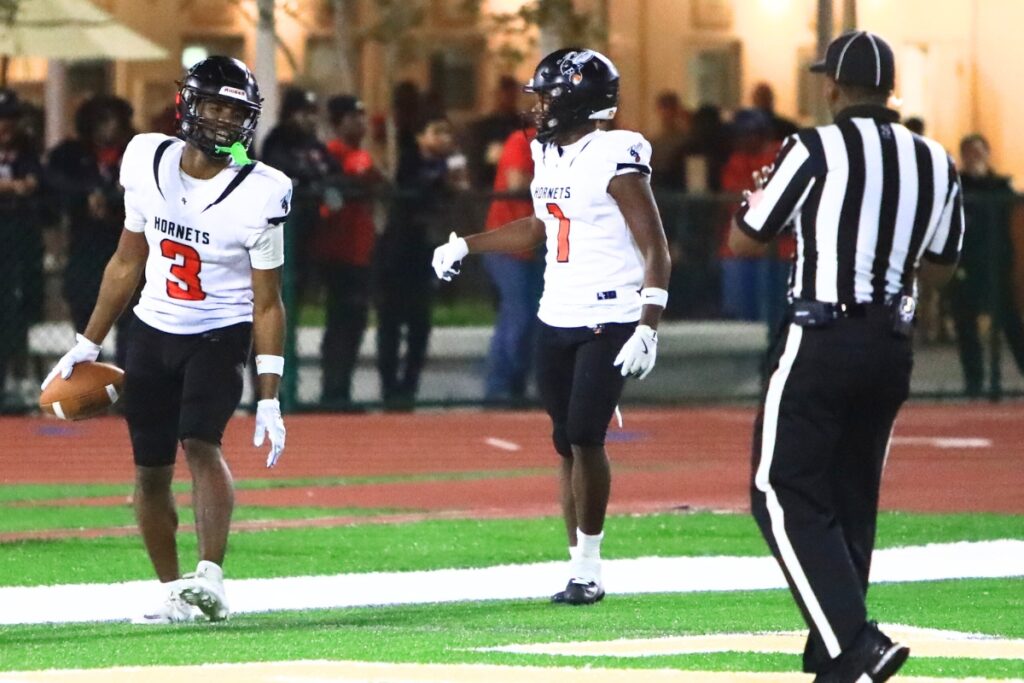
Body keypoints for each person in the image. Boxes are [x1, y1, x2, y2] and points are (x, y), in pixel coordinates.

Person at [728, 31, 963, 681]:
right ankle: (835, 660)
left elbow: (747, 239)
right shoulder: (936, 161)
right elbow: (941, 267)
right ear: (889, 91)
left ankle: (855, 643)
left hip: (822, 334)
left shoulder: (813, 148)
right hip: (892, 343)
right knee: (851, 496)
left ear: (831, 86)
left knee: (779, 486)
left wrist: (760, 200)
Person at [42, 56, 291, 625]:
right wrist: (88, 341)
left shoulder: (264, 189)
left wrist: (270, 393)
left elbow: (269, 301)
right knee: (149, 468)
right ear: (190, 105)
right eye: (216, 106)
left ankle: (211, 577)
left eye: (237, 111)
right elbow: (128, 260)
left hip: (219, 331)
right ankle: (174, 590)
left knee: (201, 442)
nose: (226, 120)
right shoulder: (146, 158)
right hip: (152, 330)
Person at [432, 48, 671, 605]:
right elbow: (540, 226)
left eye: (546, 95)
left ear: (578, 99)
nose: (536, 106)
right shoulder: (548, 154)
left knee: (587, 436)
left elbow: (654, 245)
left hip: (608, 315)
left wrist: (648, 323)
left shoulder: (616, 152)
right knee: (566, 442)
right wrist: (468, 244)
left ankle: (590, 568)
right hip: (555, 313)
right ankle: (575, 562)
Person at [376, 112, 469, 409]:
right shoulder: (408, 160)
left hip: (424, 255)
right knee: (390, 323)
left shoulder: (449, 164)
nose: (445, 138)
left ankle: (408, 390)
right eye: (437, 131)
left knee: (419, 325)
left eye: (448, 133)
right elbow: (410, 186)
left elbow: (457, 192)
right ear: (421, 136)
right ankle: (390, 391)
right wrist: (444, 177)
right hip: (396, 254)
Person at [47, 96, 138, 369]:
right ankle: (88, 386)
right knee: (85, 319)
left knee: (131, 322)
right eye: (102, 121)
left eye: (114, 121)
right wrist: (86, 195)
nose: (108, 128)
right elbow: (52, 181)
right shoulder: (71, 154)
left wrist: (112, 200)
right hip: (85, 248)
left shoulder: (135, 153)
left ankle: (127, 386)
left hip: (127, 244)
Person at [312, 95, 383, 409]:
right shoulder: (333, 154)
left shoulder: (360, 154)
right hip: (339, 252)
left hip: (361, 251)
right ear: (338, 122)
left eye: (362, 116)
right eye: (353, 117)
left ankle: (342, 390)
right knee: (341, 323)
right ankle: (333, 391)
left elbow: (379, 184)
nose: (361, 123)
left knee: (353, 323)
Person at [947, 133, 1024, 396]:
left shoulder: (1000, 186)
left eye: (979, 151)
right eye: (969, 152)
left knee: (1011, 324)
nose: (974, 157)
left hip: (996, 264)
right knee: (966, 326)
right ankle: (975, 383)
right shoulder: (956, 186)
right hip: (966, 264)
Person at [482, 127, 544, 403]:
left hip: (538, 245)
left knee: (532, 318)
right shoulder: (523, 140)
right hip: (507, 243)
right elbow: (517, 182)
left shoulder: (566, 144)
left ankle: (515, 387)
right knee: (518, 316)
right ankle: (499, 389)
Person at [0, 89, 43, 408]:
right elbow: (23, 185)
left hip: (17, 241)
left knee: (14, 311)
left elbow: (36, 183)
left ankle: (13, 381)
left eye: (10, 120)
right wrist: (14, 187)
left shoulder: (27, 150)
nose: (5, 126)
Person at [466, 75, 524, 189]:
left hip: (520, 190)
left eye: (511, 94)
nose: (507, 98)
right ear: (495, 95)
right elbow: (475, 167)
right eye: (504, 93)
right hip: (490, 188)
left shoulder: (523, 126)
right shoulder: (480, 128)